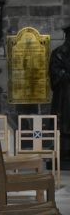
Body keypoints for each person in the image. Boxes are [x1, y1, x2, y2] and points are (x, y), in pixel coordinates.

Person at [49, 24, 70, 165]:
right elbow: (54, 72)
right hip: (64, 94)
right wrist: (65, 74)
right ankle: (64, 151)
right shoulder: (58, 53)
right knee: (63, 123)